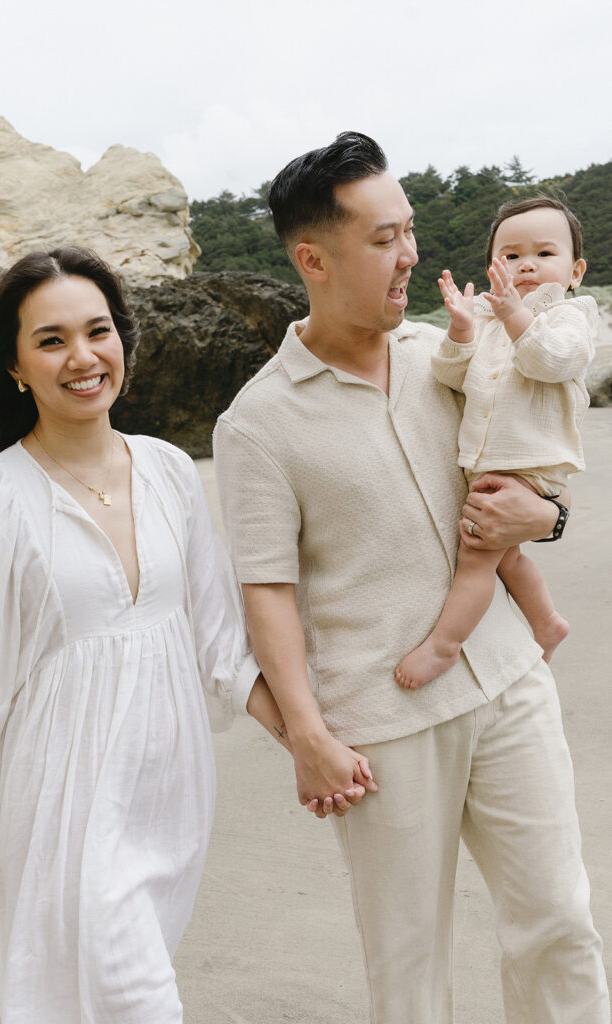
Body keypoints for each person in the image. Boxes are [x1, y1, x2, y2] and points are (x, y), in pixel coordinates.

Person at [213, 133, 609, 1022]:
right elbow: (265, 591)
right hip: (382, 727)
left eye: (411, 229)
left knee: (558, 924)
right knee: (408, 970)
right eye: (385, 238)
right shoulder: (256, 425)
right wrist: (306, 737)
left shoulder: (454, 354)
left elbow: (532, 476)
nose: (412, 254)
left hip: (508, 679)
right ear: (314, 258)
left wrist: (549, 519)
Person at [0, 247, 371, 1023]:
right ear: (17, 367)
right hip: (68, 798)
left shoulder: (169, 471)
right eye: (52, 339)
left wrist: (307, 743)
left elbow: (221, 650)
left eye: (98, 331)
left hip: (170, 797)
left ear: (123, 342)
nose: (83, 356)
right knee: (136, 1001)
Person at [395, 196, 598, 688]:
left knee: (476, 559)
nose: (526, 263)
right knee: (506, 556)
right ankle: (547, 622)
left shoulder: (571, 316)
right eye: (511, 255)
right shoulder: (485, 317)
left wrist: (513, 317)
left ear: (574, 271)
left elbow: (553, 361)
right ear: (492, 268)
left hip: (531, 463)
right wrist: (462, 329)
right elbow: (450, 375)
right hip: (492, 461)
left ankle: (444, 647)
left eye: (544, 254)